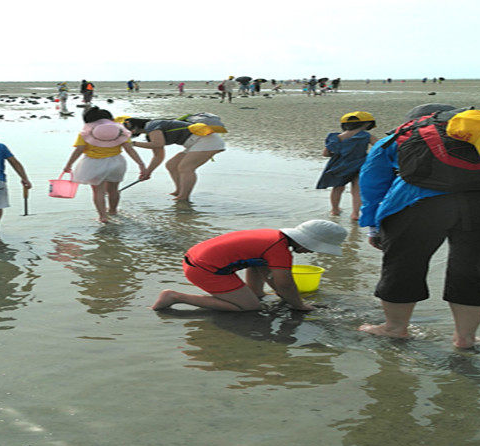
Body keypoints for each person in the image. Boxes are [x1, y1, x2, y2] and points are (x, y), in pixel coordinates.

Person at [358, 105, 480, 348]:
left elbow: (372, 180)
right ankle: (465, 338)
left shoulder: (405, 134)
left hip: (418, 204)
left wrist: (373, 226)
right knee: (473, 271)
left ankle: (394, 328)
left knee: (403, 266)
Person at [152, 220, 347, 311]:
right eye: (314, 248)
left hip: (196, 259)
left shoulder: (273, 237)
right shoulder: (280, 251)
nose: (312, 252)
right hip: (205, 270)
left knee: (258, 265)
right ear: (306, 242)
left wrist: (281, 295)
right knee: (249, 308)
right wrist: (299, 305)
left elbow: (263, 269)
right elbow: (285, 283)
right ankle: (176, 297)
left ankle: (255, 292)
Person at [63, 107, 148, 223]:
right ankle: (113, 211)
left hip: (93, 163)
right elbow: (130, 149)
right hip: (116, 163)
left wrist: (68, 165)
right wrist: (141, 165)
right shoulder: (120, 131)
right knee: (113, 190)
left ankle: (102, 217)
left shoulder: (85, 133)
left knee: (98, 191)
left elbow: (79, 150)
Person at [124, 115, 225, 201]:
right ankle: (179, 191)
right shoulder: (150, 134)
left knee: (186, 168)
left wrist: (133, 144)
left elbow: (158, 143)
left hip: (206, 140)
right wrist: (148, 172)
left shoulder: (152, 125)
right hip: (194, 143)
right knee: (171, 165)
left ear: (135, 126)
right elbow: (158, 156)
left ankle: (184, 197)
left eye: (127, 128)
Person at [316, 112, 379, 220]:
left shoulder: (336, 137)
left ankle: (335, 210)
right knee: (357, 189)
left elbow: (325, 154)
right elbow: (380, 147)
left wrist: (336, 154)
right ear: (367, 124)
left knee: (338, 188)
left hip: (339, 166)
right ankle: (355, 214)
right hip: (359, 164)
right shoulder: (367, 136)